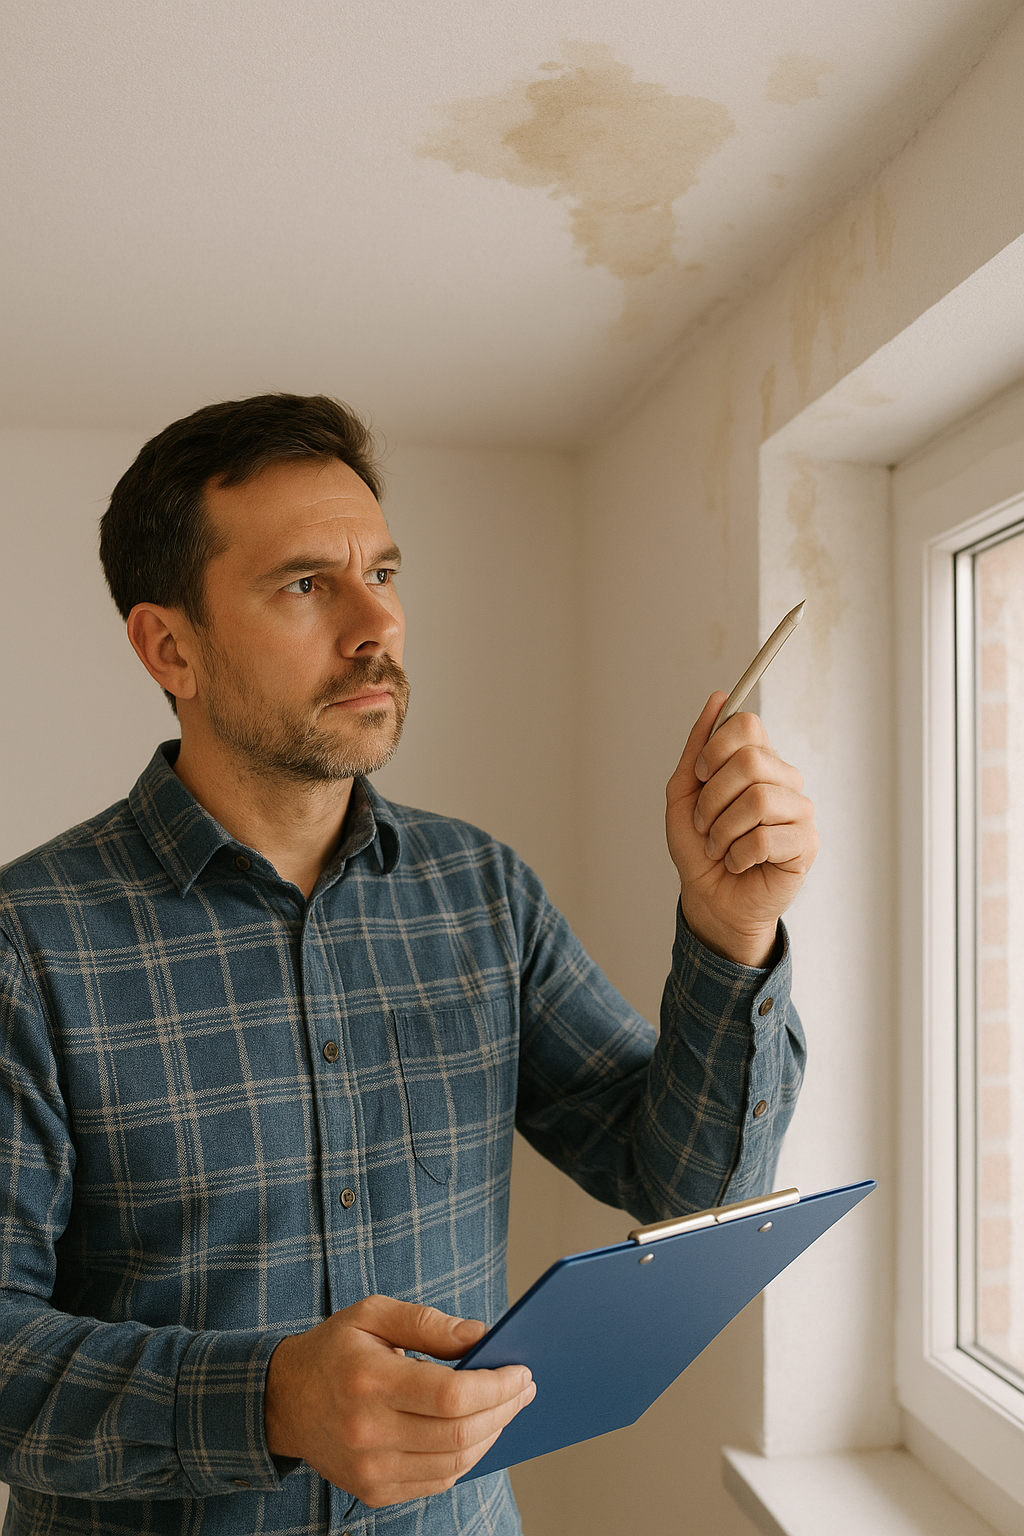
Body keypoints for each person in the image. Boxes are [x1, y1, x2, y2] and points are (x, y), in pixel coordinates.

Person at [0, 394, 817, 1536]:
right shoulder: (26, 945)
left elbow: (691, 1190)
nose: (371, 625)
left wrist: (731, 934)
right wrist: (270, 1400)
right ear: (168, 645)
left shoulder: (480, 890)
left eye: (382, 573)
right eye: (304, 585)